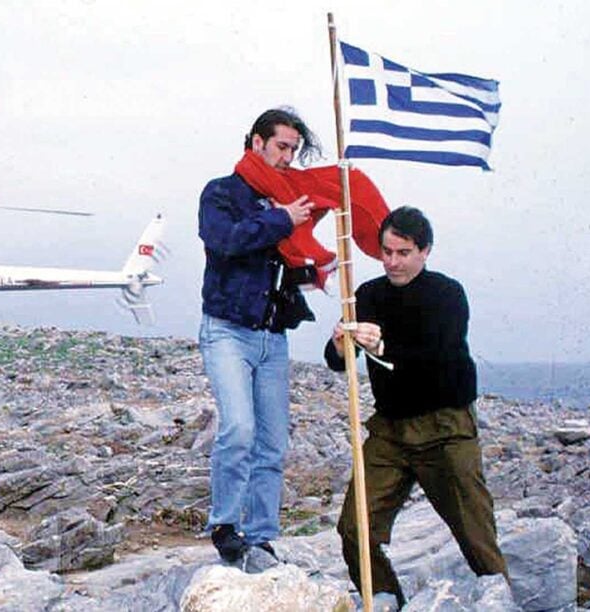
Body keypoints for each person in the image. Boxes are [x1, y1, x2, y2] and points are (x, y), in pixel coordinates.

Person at [324, 206, 508, 608]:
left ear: (425, 251)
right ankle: (388, 600)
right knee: (355, 528)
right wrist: (340, 345)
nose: (392, 262)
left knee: (476, 533)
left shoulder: (447, 294)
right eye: (386, 251)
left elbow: (437, 356)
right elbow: (337, 361)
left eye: (403, 253)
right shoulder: (367, 295)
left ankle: (500, 600)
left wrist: (383, 346)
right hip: (389, 432)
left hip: (446, 428)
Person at [198, 107, 320, 566]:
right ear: (256, 143)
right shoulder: (221, 192)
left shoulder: (284, 200)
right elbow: (225, 240)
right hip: (227, 331)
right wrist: (282, 220)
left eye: (294, 150)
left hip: (273, 336)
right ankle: (225, 525)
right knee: (239, 428)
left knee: (273, 442)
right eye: (282, 146)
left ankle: (262, 534)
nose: (288, 157)